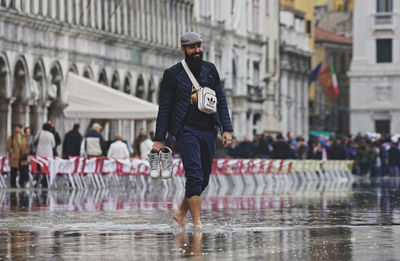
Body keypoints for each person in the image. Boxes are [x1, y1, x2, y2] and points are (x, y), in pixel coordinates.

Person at [152, 32, 233, 229]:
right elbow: (164, 108)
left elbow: (221, 100)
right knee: (194, 175)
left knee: (203, 179)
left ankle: (181, 213)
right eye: (192, 47)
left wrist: (227, 129)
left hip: (208, 130)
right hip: (185, 131)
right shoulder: (172, 74)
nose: (197, 50)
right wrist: (159, 138)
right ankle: (197, 223)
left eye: (199, 46)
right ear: (183, 50)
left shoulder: (210, 70)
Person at [6, 123, 30, 188]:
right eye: (16, 128)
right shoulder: (11, 137)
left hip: (23, 156)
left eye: (19, 128)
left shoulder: (24, 136)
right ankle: (13, 185)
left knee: (23, 171)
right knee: (13, 172)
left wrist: (26, 151)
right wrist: (12, 153)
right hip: (14, 157)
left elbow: (27, 146)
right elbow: (8, 147)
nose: (17, 129)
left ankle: (22, 183)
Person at [34, 123, 56, 188]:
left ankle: (37, 182)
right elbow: (53, 144)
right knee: (47, 169)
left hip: (39, 154)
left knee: (39, 169)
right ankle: (45, 182)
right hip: (48, 154)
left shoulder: (40, 132)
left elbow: (35, 140)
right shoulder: (51, 135)